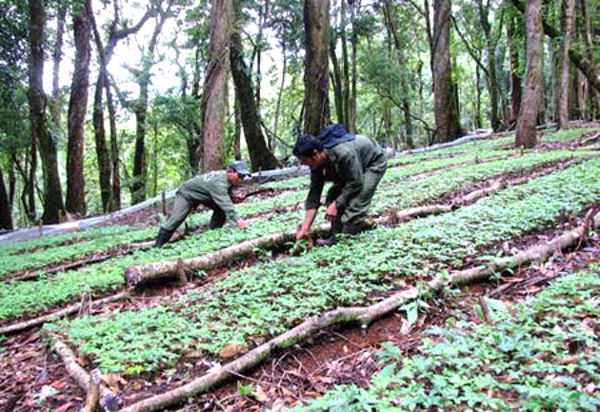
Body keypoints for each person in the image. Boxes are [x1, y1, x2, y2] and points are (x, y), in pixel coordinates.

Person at [294, 124, 387, 245]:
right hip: (352, 168)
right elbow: (314, 195)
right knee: (332, 195)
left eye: (304, 161)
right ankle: (335, 238)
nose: (303, 164)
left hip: (373, 162)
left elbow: (356, 183)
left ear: (315, 154)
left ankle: (346, 242)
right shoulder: (315, 163)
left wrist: (337, 204)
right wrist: (305, 229)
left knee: (357, 202)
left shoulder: (344, 154)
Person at [154, 161, 251, 248]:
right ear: (231, 172)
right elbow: (225, 203)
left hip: (203, 195)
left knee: (220, 209)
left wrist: (233, 198)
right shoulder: (218, 183)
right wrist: (238, 220)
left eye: (243, 177)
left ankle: (215, 233)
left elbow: (225, 196)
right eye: (240, 176)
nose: (241, 179)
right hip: (186, 194)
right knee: (175, 220)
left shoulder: (226, 179)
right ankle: (158, 247)